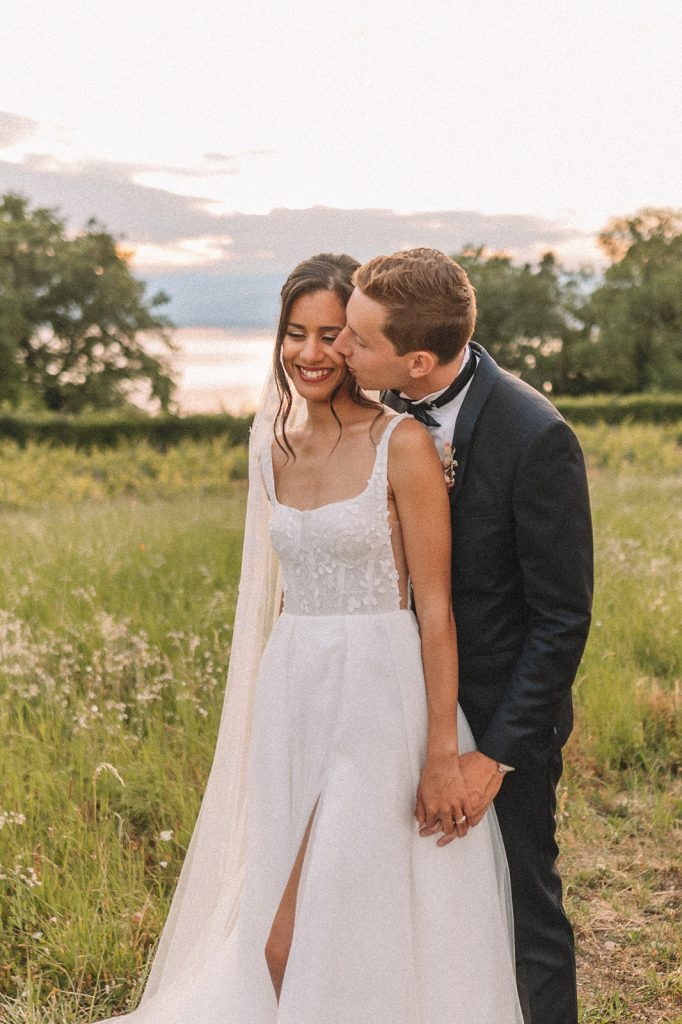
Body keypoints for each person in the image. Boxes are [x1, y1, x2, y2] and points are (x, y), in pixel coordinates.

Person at [95, 253, 523, 1023]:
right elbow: (288, 586)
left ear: (361, 342)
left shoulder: (403, 444)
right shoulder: (272, 442)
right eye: (297, 333)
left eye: (335, 334)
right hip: (297, 688)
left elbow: (436, 611)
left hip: (381, 701)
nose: (313, 352)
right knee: (310, 930)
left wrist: (438, 753)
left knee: (293, 940)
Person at [332, 247, 594, 1024]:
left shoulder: (533, 435)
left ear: (416, 359)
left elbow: (561, 618)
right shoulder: (370, 416)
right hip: (390, 701)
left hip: (496, 718)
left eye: (358, 339)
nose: (343, 349)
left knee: (522, 908)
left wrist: (494, 756)